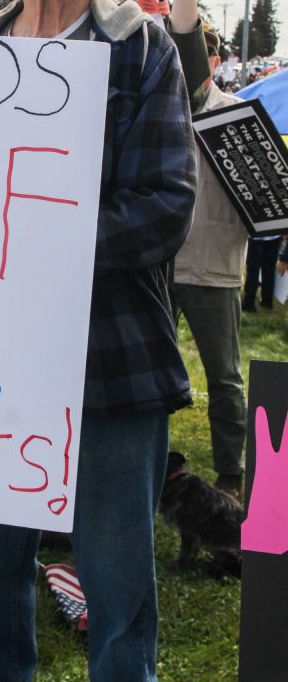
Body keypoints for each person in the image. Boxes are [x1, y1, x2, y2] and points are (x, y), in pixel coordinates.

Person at [0, 0, 196, 682]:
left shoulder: (138, 48)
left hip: (109, 356)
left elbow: (164, 206)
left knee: (118, 583)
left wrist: (32, 241)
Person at [171, 24, 249, 496]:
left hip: (215, 265)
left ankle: (231, 474)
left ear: (215, 62)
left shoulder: (239, 118)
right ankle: (154, 468)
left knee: (224, 377)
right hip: (161, 262)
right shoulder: (158, 106)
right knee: (151, 376)